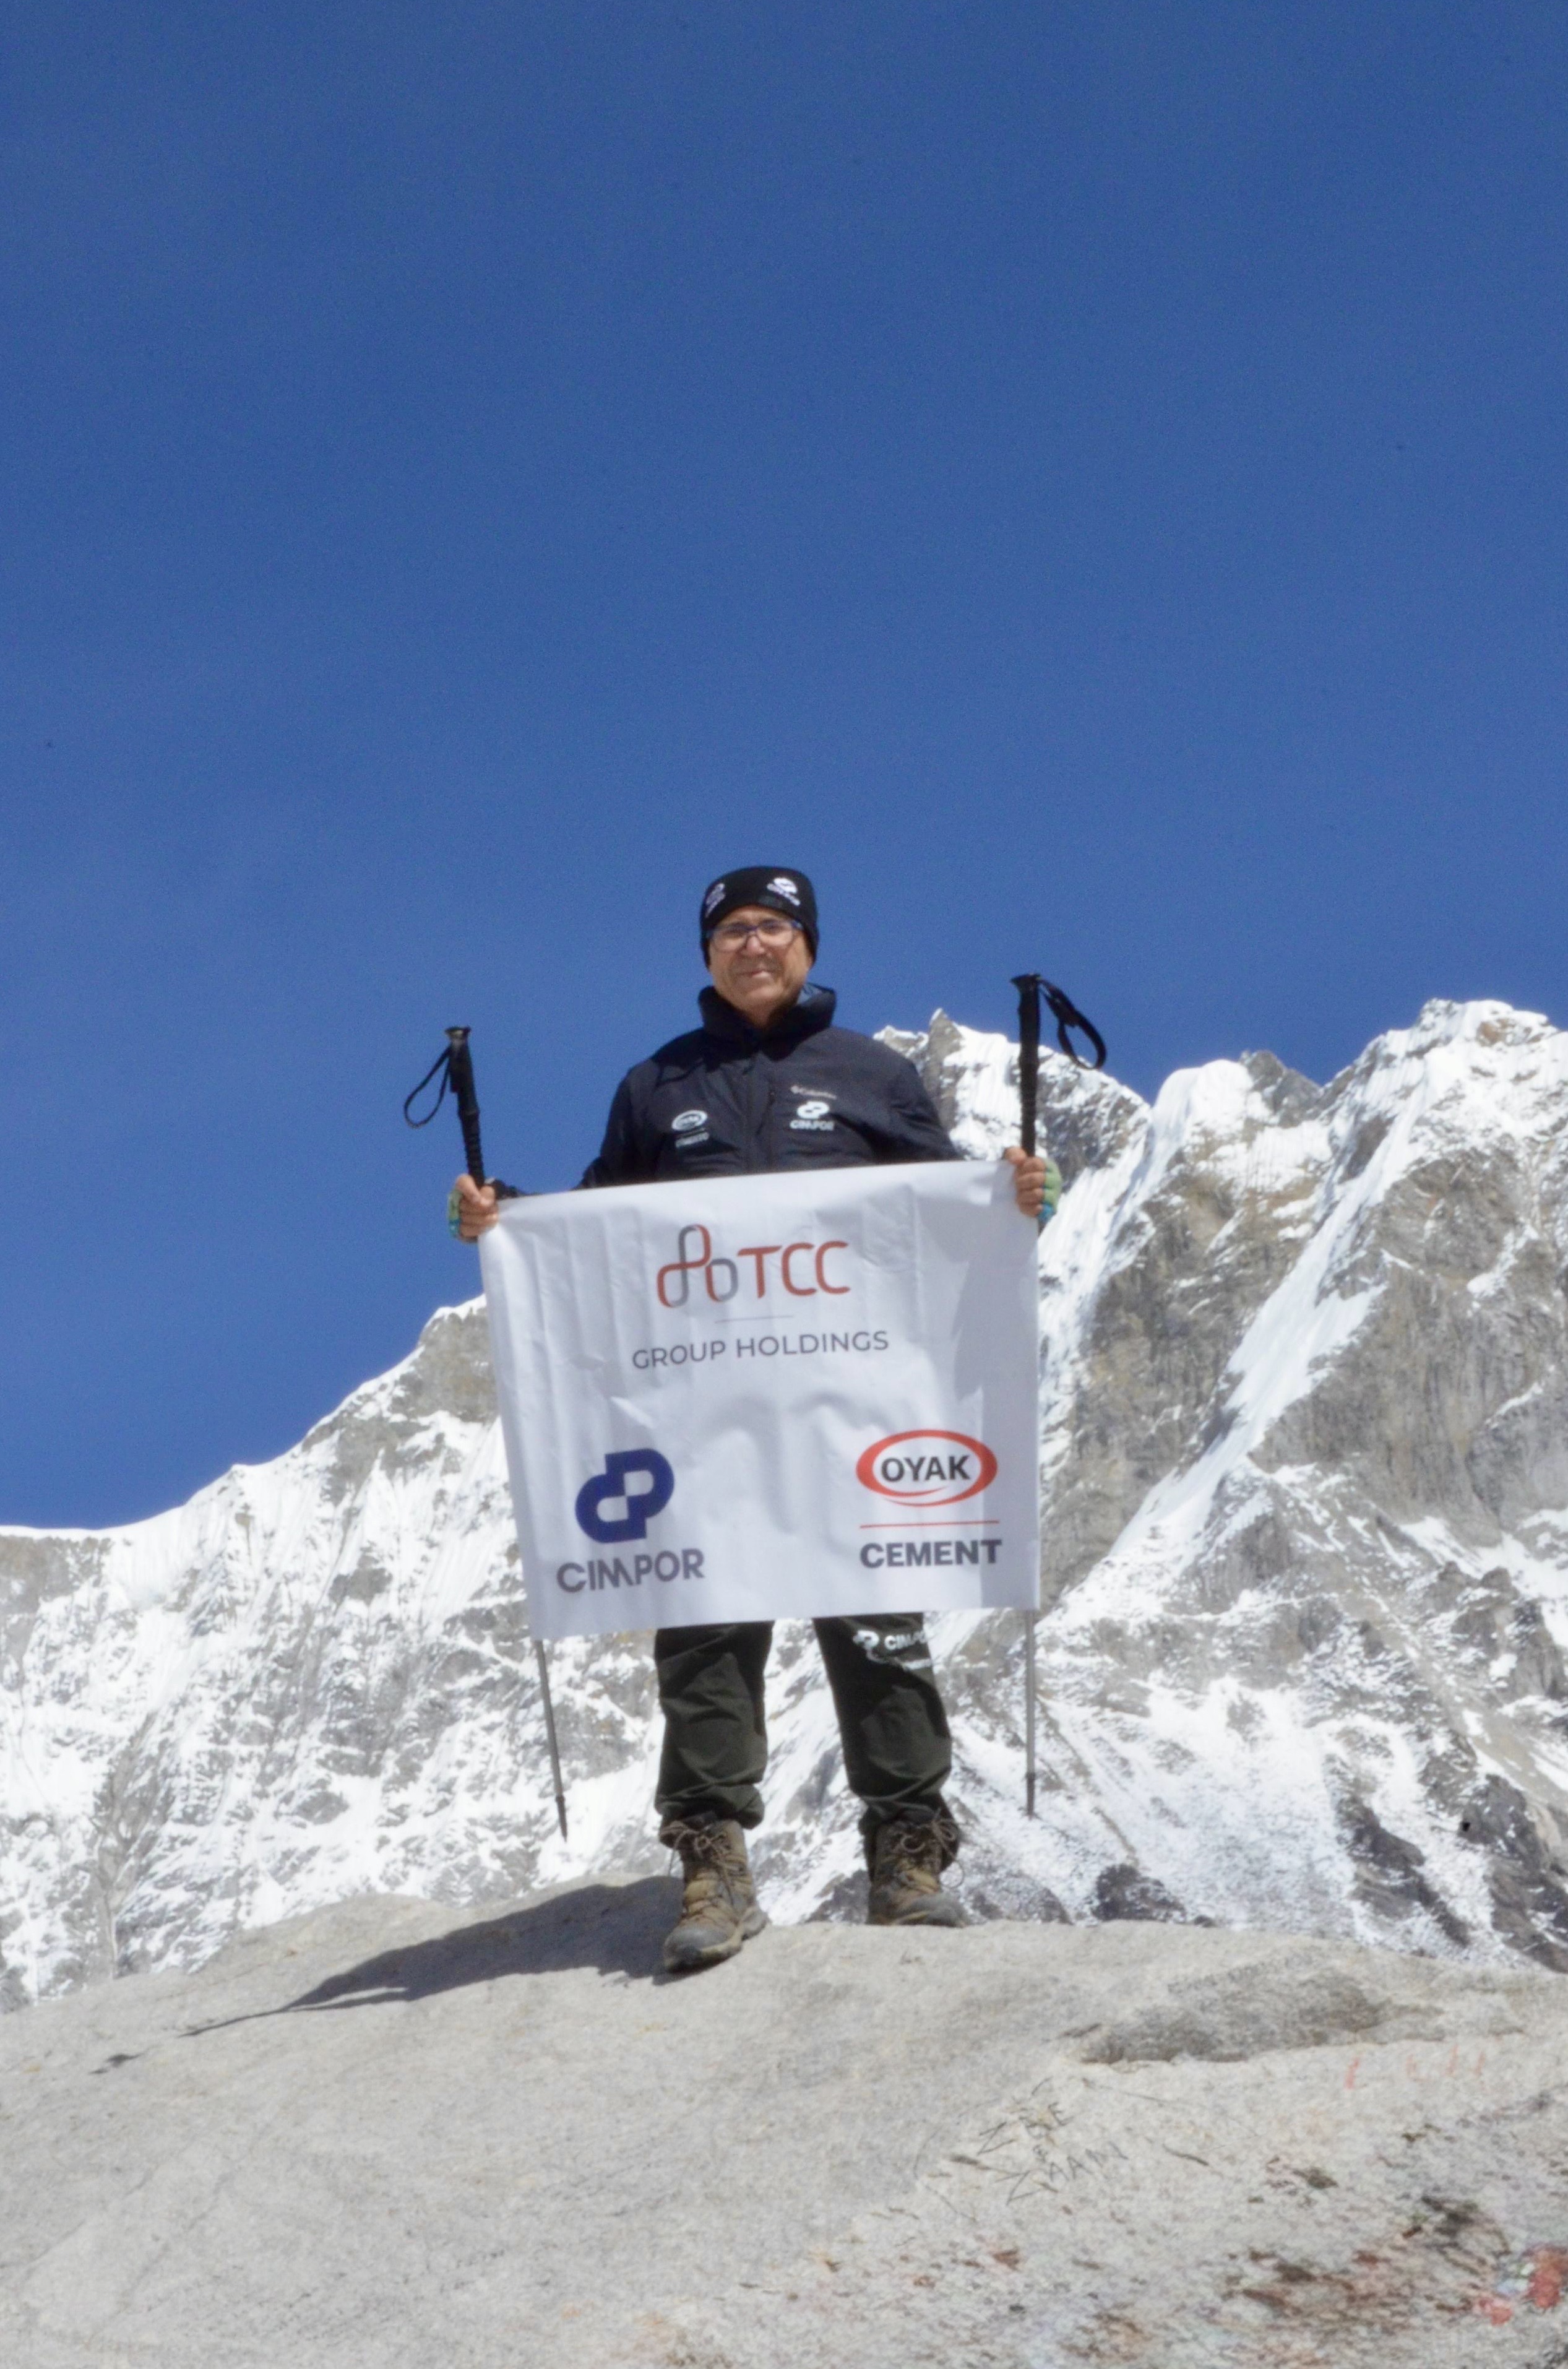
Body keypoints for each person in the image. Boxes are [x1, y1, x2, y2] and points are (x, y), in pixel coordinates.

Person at [454, 866, 1050, 1975]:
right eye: (732, 931)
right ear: (706, 953)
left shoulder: (871, 1075)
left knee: (879, 1629)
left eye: (774, 928)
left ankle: (906, 1862)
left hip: (850, 1412)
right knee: (703, 1633)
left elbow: (942, 1215)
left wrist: (1011, 1198)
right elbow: (602, 1235)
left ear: (809, 945)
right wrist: (507, 1221)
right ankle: (712, 1869)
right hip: (703, 1415)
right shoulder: (655, 1086)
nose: (753, 946)